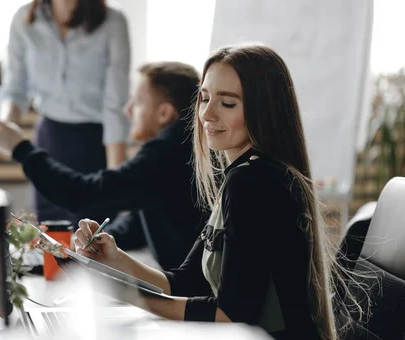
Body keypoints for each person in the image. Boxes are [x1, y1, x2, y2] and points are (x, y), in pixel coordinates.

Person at [71, 44, 360, 340]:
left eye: (228, 103)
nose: (206, 114)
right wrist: (115, 259)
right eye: (205, 98)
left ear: (263, 109)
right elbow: (185, 282)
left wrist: (126, 293)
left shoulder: (254, 182)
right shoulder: (244, 173)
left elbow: (232, 316)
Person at [0, 62, 206, 270]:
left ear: (164, 113)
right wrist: (85, 245)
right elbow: (138, 223)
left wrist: (21, 149)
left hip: (189, 297)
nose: (128, 110)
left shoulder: (166, 152)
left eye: (137, 102)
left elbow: (85, 193)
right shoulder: (181, 146)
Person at [0, 0, 131, 225]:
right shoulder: (24, 20)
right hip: (49, 141)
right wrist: (4, 125)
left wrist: (119, 180)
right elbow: (15, 88)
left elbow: (115, 105)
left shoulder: (113, 21)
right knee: (52, 243)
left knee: (95, 246)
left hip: (95, 144)